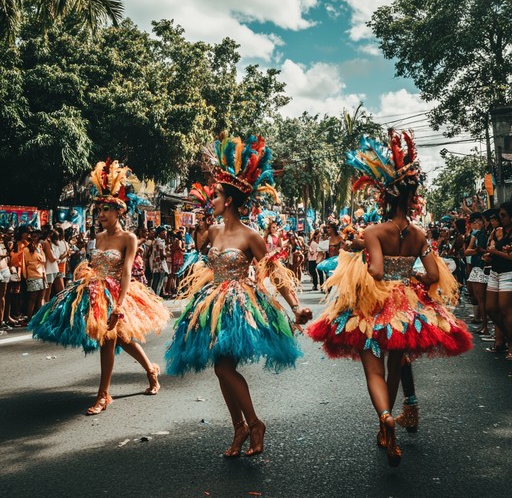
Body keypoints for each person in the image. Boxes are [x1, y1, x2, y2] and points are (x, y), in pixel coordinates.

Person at [308, 131, 473, 467]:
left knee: (374, 370)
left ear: (383, 196)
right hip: (408, 305)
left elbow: (379, 272)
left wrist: (366, 260)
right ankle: (392, 421)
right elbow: (432, 274)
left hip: (376, 305)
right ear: (410, 198)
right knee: (396, 365)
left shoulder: (374, 231)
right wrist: (410, 277)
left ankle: (384, 418)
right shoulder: (420, 233)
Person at [165, 133, 312, 457]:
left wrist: (296, 306)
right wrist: (198, 228)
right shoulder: (215, 230)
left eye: (215, 195)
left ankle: (254, 424)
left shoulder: (250, 235)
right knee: (221, 366)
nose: (211, 199)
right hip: (213, 303)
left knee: (223, 368)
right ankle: (240, 428)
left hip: (239, 307)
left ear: (228, 200)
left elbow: (274, 270)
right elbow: (200, 249)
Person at [29, 160, 170, 414]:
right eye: (99, 210)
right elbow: (94, 265)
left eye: (106, 210)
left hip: (118, 294)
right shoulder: (99, 237)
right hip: (95, 292)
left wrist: (119, 304)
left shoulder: (129, 238)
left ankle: (104, 395)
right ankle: (151, 370)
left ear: (119, 212)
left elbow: (126, 271)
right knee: (124, 340)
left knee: (110, 340)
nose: (101, 215)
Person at [484, 201, 512, 359]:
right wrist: (490, 256)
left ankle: (511, 345)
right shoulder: (501, 232)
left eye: (503, 215)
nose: (500, 218)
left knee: (505, 309)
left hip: (508, 274)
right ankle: (508, 337)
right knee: (490, 309)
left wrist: (495, 251)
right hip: (495, 272)